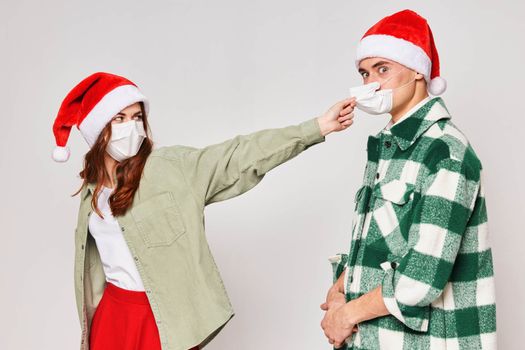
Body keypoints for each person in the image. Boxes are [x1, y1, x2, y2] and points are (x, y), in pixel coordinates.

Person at [51, 72, 356, 350]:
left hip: (162, 320)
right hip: (112, 316)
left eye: (136, 117)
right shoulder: (93, 191)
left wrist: (317, 128)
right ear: (96, 129)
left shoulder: (171, 168)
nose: (130, 127)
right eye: (118, 118)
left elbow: (238, 155)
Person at [320, 9, 496, 349]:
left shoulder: (445, 152)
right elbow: (382, 242)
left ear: (418, 70)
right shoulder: (390, 147)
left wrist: (345, 315)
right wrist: (339, 290)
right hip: (374, 340)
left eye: (382, 69)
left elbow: (421, 279)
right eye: (364, 72)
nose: (370, 83)